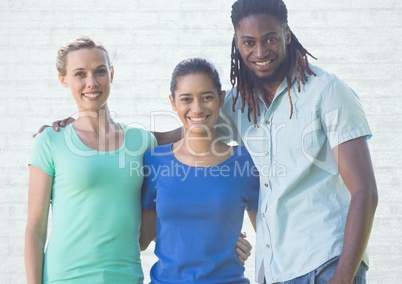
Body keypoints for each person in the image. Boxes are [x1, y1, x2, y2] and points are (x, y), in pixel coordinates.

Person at [38, 0, 378, 281]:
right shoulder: (242, 104)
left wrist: (343, 277)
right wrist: (84, 124)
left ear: (287, 35)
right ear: (237, 43)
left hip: (327, 262)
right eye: (248, 42)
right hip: (279, 270)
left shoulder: (327, 92)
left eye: (271, 38)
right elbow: (182, 133)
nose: (260, 50)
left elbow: (365, 190)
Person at [24, 36, 156, 283]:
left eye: (100, 71)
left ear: (112, 74)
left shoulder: (142, 141)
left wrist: (220, 239)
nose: (91, 82)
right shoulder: (50, 141)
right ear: (63, 79)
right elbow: (35, 229)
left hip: (126, 276)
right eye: (80, 74)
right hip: (64, 277)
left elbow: (191, 133)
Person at [139, 58, 259, 283]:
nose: (197, 108)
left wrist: (242, 245)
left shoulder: (245, 161)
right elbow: (143, 239)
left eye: (207, 97)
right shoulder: (154, 161)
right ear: (173, 102)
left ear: (221, 98)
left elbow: (268, 236)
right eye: (186, 99)